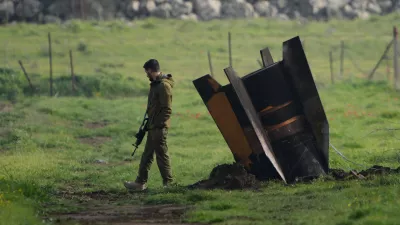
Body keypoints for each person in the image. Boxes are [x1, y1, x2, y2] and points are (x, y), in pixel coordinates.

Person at [124, 59, 174, 191]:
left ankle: (168, 184)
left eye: (147, 71)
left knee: (161, 156)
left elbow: (167, 109)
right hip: (152, 127)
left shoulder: (163, 86)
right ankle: (140, 183)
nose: (146, 74)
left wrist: (158, 124)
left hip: (158, 128)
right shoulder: (156, 84)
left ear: (151, 70)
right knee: (147, 156)